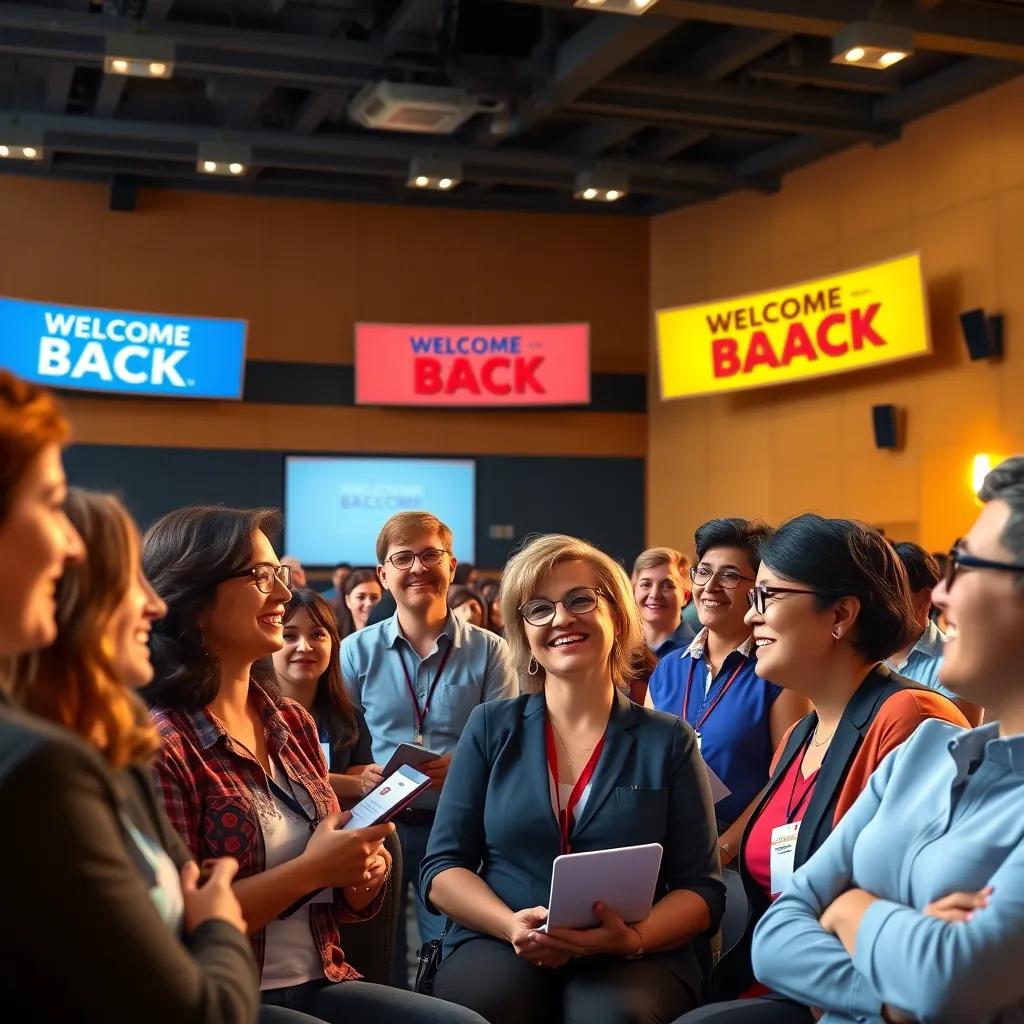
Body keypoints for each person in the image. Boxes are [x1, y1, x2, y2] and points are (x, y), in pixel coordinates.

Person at [143, 505, 482, 1024]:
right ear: (195, 601)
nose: (282, 594)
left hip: (320, 978)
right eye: (260, 577)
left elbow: (338, 899)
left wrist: (356, 878)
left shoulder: (289, 723)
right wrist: (314, 870)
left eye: (278, 574)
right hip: (223, 996)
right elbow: (179, 925)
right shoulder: (165, 743)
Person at [0, 371, 258, 1024]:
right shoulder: (42, 768)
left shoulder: (116, 754)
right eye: (48, 503)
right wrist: (221, 924)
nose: (68, 543)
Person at [745, 460, 1024, 1024]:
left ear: (841, 616)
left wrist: (848, 908)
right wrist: (896, 965)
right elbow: (773, 933)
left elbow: (948, 981)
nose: (939, 595)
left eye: (965, 565)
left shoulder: (911, 718)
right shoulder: (924, 756)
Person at [421, 533, 725, 1024]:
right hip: (504, 937)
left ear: (617, 616)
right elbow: (443, 867)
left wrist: (634, 940)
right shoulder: (489, 726)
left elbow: (702, 889)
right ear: (524, 635)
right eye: (538, 609)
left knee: (610, 1015)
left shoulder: (668, 740)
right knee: (489, 1004)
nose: (561, 618)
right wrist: (509, 927)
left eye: (580, 600)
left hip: (631, 947)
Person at [682, 514, 970, 1019]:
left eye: (767, 597)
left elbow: (927, 914)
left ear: (840, 614)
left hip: (850, 994)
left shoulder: (911, 722)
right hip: (778, 974)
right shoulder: (799, 736)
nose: (752, 618)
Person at [342, 511, 517, 987]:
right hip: (382, 825)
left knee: (448, 951)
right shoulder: (354, 652)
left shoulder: (491, 651)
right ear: (383, 575)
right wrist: (363, 775)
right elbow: (339, 742)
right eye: (403, 558)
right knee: (379, 955)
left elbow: (508, 739)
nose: (418, 567)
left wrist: (463, 765)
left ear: (452, 565)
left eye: (429, 555)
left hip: (461, 826)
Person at [645, 518, 808, 832]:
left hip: (735, 855)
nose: (709, 587)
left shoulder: (779, 675)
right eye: (703, 572)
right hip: (666, 843)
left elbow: (786, 781)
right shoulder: (667, 668)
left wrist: (728, 847)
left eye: (729, 576)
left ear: (759, 589)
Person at [271, 587, 382, 806]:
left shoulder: (349, 717)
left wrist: (361, 780)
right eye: (289, 636)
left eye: (317, 635)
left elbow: (362, 777)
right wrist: (354, 783)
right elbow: (278, 779)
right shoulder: (252, 714)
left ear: (333, 643)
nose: (304, 646)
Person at [886, 541, 983, 725]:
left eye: (893, 592)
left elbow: (956, 742)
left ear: (925, 597)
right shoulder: (866, 658)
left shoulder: (955, 664)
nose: (883, 603)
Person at [632, 547, 696, 662]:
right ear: (633, 592)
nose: (654, 594)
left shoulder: (697, 653)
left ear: (685, 596)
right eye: (646, 584)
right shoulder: (620, 650)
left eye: (667, 585)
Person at [335, 569, 383, 639]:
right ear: (347, 601)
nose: (368, 603)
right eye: (360, 597)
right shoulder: (337, 641)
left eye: (374, 597)